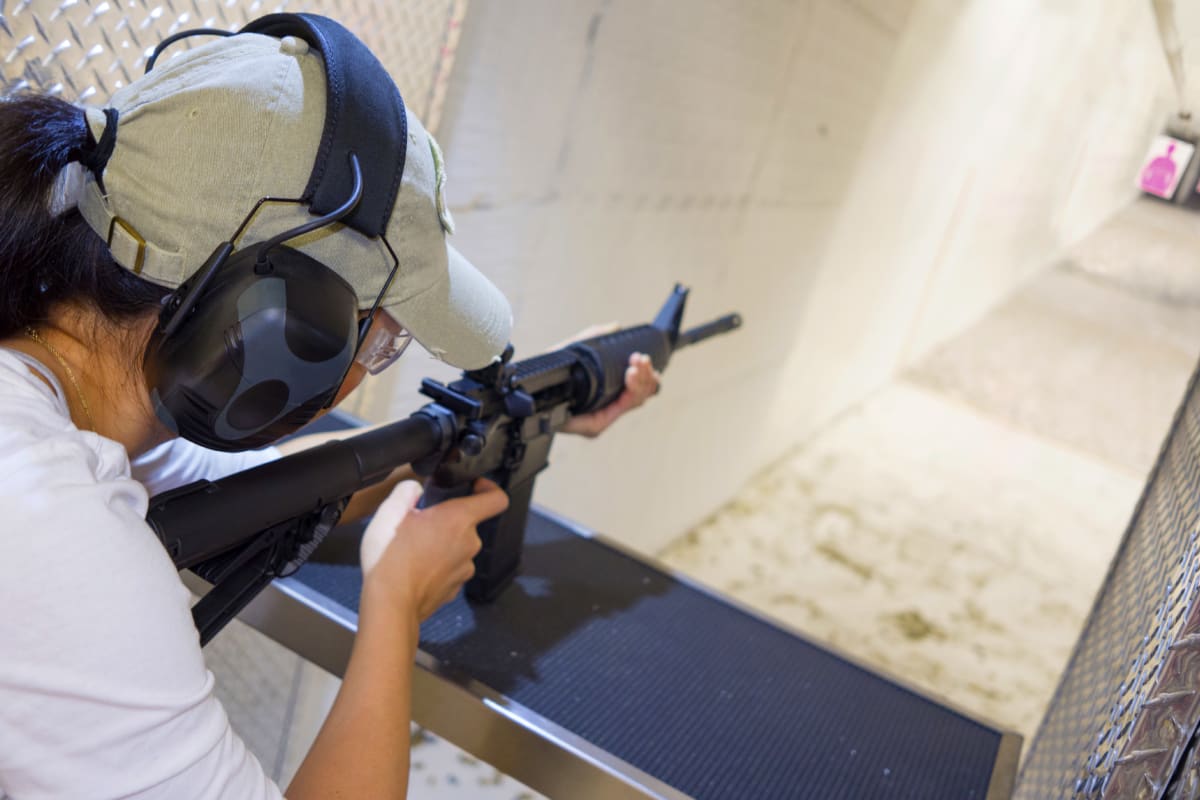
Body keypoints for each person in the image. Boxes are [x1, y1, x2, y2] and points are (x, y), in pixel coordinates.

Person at [0, 22, 658, 800]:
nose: (371, 366)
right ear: (278, 334)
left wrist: (523, 408)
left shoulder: (72, 404)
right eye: (382, 342)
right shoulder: (49, 530)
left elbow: (257, 483)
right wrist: (394, 609)